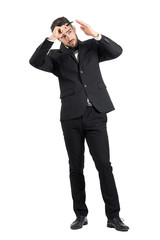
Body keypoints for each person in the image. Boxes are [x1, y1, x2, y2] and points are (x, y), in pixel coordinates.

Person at [29, 17, 129, 231]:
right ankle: (80, 214)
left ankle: (114, 216)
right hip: (71, 118)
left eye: (68, 31)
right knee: (76, 167)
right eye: (62, 34)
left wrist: (96, 34)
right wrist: (50, 39)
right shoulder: (55, 56)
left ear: (74, 29)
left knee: (104, 166)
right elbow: (35, 62)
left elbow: (117, 51)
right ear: (58, 36)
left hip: (96, 114)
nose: (67, 37)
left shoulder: (92, 46)